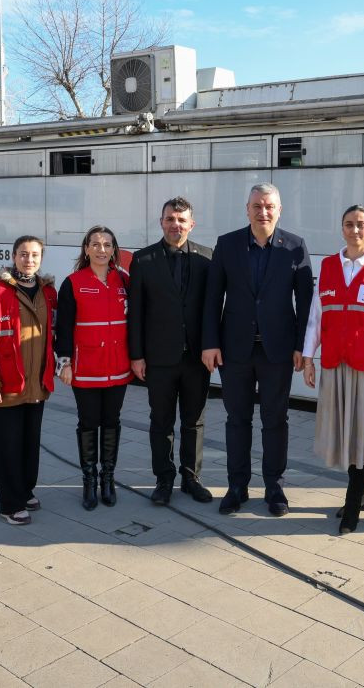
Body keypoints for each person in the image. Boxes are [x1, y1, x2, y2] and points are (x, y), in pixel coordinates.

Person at [203, 183, 313, 516]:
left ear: (279, 210)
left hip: (277, 352)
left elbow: (306, 302)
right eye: (256, 206)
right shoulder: (227, 244)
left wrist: (301, 347)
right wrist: (210, 342)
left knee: (275, 420)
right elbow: (212, 297)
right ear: (247, 209)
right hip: (234, 350)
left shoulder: (295, 247)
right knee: (237, 420)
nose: (262, 212)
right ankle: (237, 486)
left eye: (269, 206)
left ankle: (274, 486)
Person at [301, 205, 364, 534]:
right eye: (349, 224)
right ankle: (361, 493)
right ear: (341, 228)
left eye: (361, 224)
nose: (355, 230)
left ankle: (352, 505)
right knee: (346, 433)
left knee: (362, 436)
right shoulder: (329, 265)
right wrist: (307, 357)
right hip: (335, 365)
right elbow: (318, 316)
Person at [127, 197, 215, 505]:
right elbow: (135, 312)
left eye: (181, 220)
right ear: (161, 221)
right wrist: (136, 355)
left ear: (191, 224)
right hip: (159, 359)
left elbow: (213, 308)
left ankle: (191, 479)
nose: (175, 224)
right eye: (169, 219)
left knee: (195, 421)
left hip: (196, 359)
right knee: (161, 421)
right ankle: (163, 480)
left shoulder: (207, 257)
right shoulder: (143, 260)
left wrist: (211, 347)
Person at [0, 235, 57, 525]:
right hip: (7, 383)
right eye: (24, 254)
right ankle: (10, 504)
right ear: (14, 256)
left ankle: (24, 490)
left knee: (29, 442)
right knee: (7, 445)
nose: (29, 259)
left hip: (36, 382)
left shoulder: (47, 292)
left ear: (41, 258)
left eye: (35, 254)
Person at [55, 226, 131, 510]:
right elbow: (62, 328)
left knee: (112, 422)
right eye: (95, 244)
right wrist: (64, 363)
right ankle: (88, 482)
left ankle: (107, 480)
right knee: (88, 424)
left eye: (107, 244)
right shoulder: (73, 282)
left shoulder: (124, 280)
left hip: (118, 368)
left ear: (114, 249)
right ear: (85, 249)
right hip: (85, 368)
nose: (101, 249)